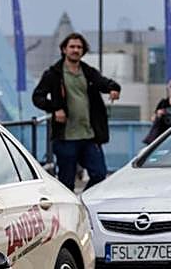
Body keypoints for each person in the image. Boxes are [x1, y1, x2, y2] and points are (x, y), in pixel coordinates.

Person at [31, 33, 122, 190]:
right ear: (64, 49)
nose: (75, 50)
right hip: (66, 137)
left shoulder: (88, 72)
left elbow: (104, 83)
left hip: (89, 136)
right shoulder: (53, 74)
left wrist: (114, 89)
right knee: (67, 182)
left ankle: (83, 203)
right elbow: (37, 97)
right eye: (72, 47)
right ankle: (71, 211)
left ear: (83, 51)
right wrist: (55, 109)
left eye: (79, 47)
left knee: (99, 174)